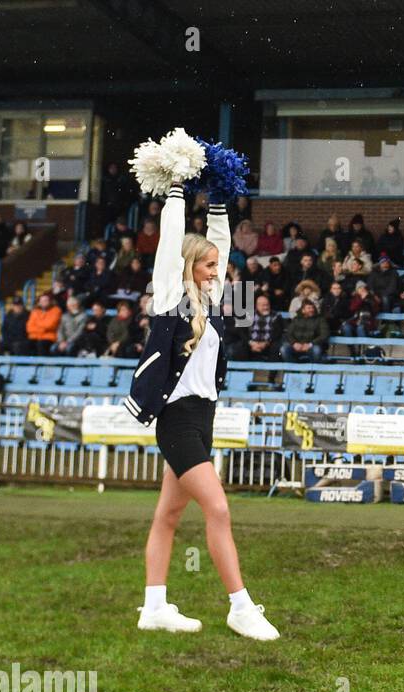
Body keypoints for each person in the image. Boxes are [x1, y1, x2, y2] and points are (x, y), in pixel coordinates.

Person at [125, 178, 278, 640]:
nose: (217, 270)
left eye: (217, 264)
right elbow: (171, 244)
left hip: (202, 419)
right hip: (178, 421)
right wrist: (175, 188)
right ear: (188, 266)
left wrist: (217, 200)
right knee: (219, 509)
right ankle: (240, 606)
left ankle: (153, 606)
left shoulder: (208, 303)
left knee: (167, 516)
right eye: (208, 264)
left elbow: (223, 244)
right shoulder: (171, 295)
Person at [26, 293, 63, 357]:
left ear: (50, 301)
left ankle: (41, 365)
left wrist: (37, 326)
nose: (44, 302)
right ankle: (25, 366)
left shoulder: (56, 310)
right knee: (23, 345)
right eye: (42, 301)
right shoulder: (35, 312)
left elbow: (50, 325)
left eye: (46, 300)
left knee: (41, 344)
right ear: (39, 302)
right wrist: (42, 328)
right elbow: (29, 328)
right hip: (34, 337)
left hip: (49, 337)